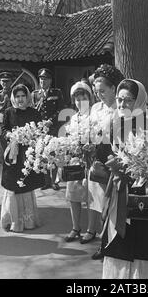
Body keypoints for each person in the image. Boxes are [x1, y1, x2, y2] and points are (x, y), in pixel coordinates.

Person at [101, 78, 148, 279]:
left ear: (140, 100)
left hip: (147, 192)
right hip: (120, 190)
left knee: (145, 243)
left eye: (128, 100)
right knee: (120, 242)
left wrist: (140, 167)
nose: (122, 104)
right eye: (119, 99)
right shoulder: (114, 122)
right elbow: (106, 154)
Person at [89, 64, 124, 260]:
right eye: (96, 91)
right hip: (99, 160)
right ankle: (104, 242)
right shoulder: (95, 108)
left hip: (117, 161)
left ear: (114, 88)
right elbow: (92, 133)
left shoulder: (122, 110)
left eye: (103, 91)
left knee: (115, 204)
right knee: (101, 203)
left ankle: (113, 243)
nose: (99, 95)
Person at [0, 84, 45, 232]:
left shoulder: (34, 112)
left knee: (26, 183)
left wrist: (30, 138)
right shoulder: (8, 112)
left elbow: (39, 130)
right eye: (17, 96)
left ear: (27, 97)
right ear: (14, 97)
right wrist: (10, 135)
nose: (20, 99)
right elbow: (4, 129)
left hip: (27, 154)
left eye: (23, 96)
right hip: (13, 154)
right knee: (13, 185)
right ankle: (13, 221)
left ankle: (28, 221)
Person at [64, 81, 95, 242]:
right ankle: (76, 227)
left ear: (89, 98)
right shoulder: (73, 118)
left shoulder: (94, 115)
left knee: (90, 196)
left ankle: (91, 229)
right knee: (73, 195)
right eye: (76, 99)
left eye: (83, 98)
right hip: (75, 160)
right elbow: (69, 138)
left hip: (90, 160)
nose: (80, 102)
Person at [31, 68, 64, 191]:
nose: (42, 82)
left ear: (50, 80)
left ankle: (55, 180)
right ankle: (46, 181)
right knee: (42, 154)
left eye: (45, 79)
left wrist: (51, 121)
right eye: (41, 79)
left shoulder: (57, 93)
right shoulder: (35, 94)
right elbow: (33, 111)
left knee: (53, 154)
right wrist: (38, 124)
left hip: (53, 128)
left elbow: (61, 109)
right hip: (41, 130)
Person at [0, 71, 13, 152]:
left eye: (7, 81)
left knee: (14, 145)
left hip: (12, 120)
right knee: (3, 147)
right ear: (0, 82)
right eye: (3, 81)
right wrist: (0, 121)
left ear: (11, 82)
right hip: (1, 121)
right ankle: (4, 163)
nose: (5, 83)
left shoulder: (14, 93)